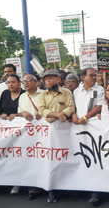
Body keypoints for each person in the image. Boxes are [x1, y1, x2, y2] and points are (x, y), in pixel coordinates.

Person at [38, 70, 75, 203]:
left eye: (50, 78)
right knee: (50, 160)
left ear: (57, 79)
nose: (47, 81)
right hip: (48, 134)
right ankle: (51, 190)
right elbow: (41, 110)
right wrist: (57, 115)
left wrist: (60, 114)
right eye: (45, 79)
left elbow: (71, 107)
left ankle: (65, 187)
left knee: (64, 158)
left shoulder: (66, 92)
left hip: (64, 132)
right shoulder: (43, 94)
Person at [72, 68, 104, 206]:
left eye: (95, 75)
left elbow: (98, 107)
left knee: (95, 157)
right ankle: (83, 187)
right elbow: (72, 107)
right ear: (82, 77)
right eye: (91, 75)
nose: (94, 78)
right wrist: (74, 117)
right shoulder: (75, 91)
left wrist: (85, 117)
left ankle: (96, 192)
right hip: (78, 128)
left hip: (93, 128)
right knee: (81, 157)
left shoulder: (99, 89)